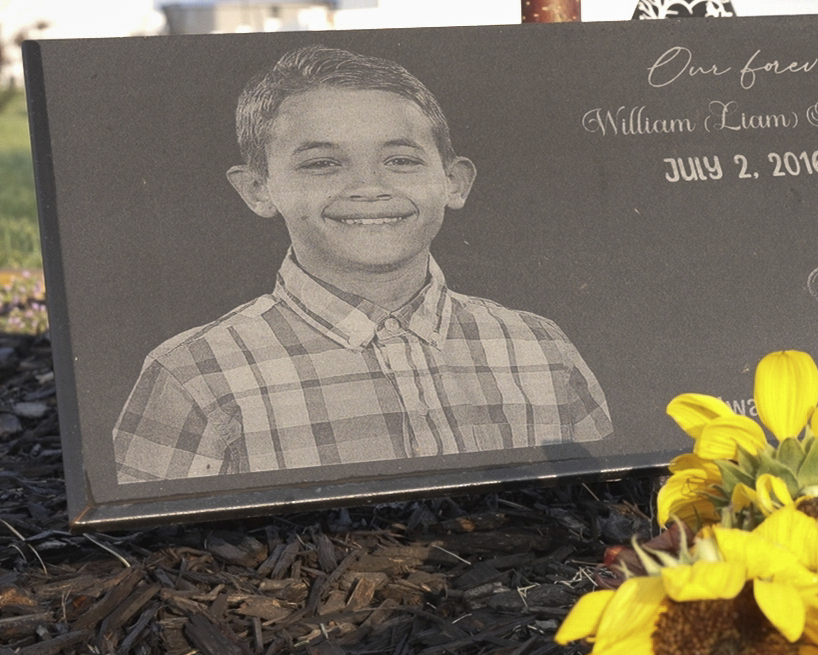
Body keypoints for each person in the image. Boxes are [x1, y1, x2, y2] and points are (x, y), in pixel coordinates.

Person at [113, 45, 611, 483]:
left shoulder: (541, 349)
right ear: (258, 190)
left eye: (401, 160)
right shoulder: (194, 375)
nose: (369, 188)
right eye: (322, 163)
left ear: (454, 183)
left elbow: (600, 510)